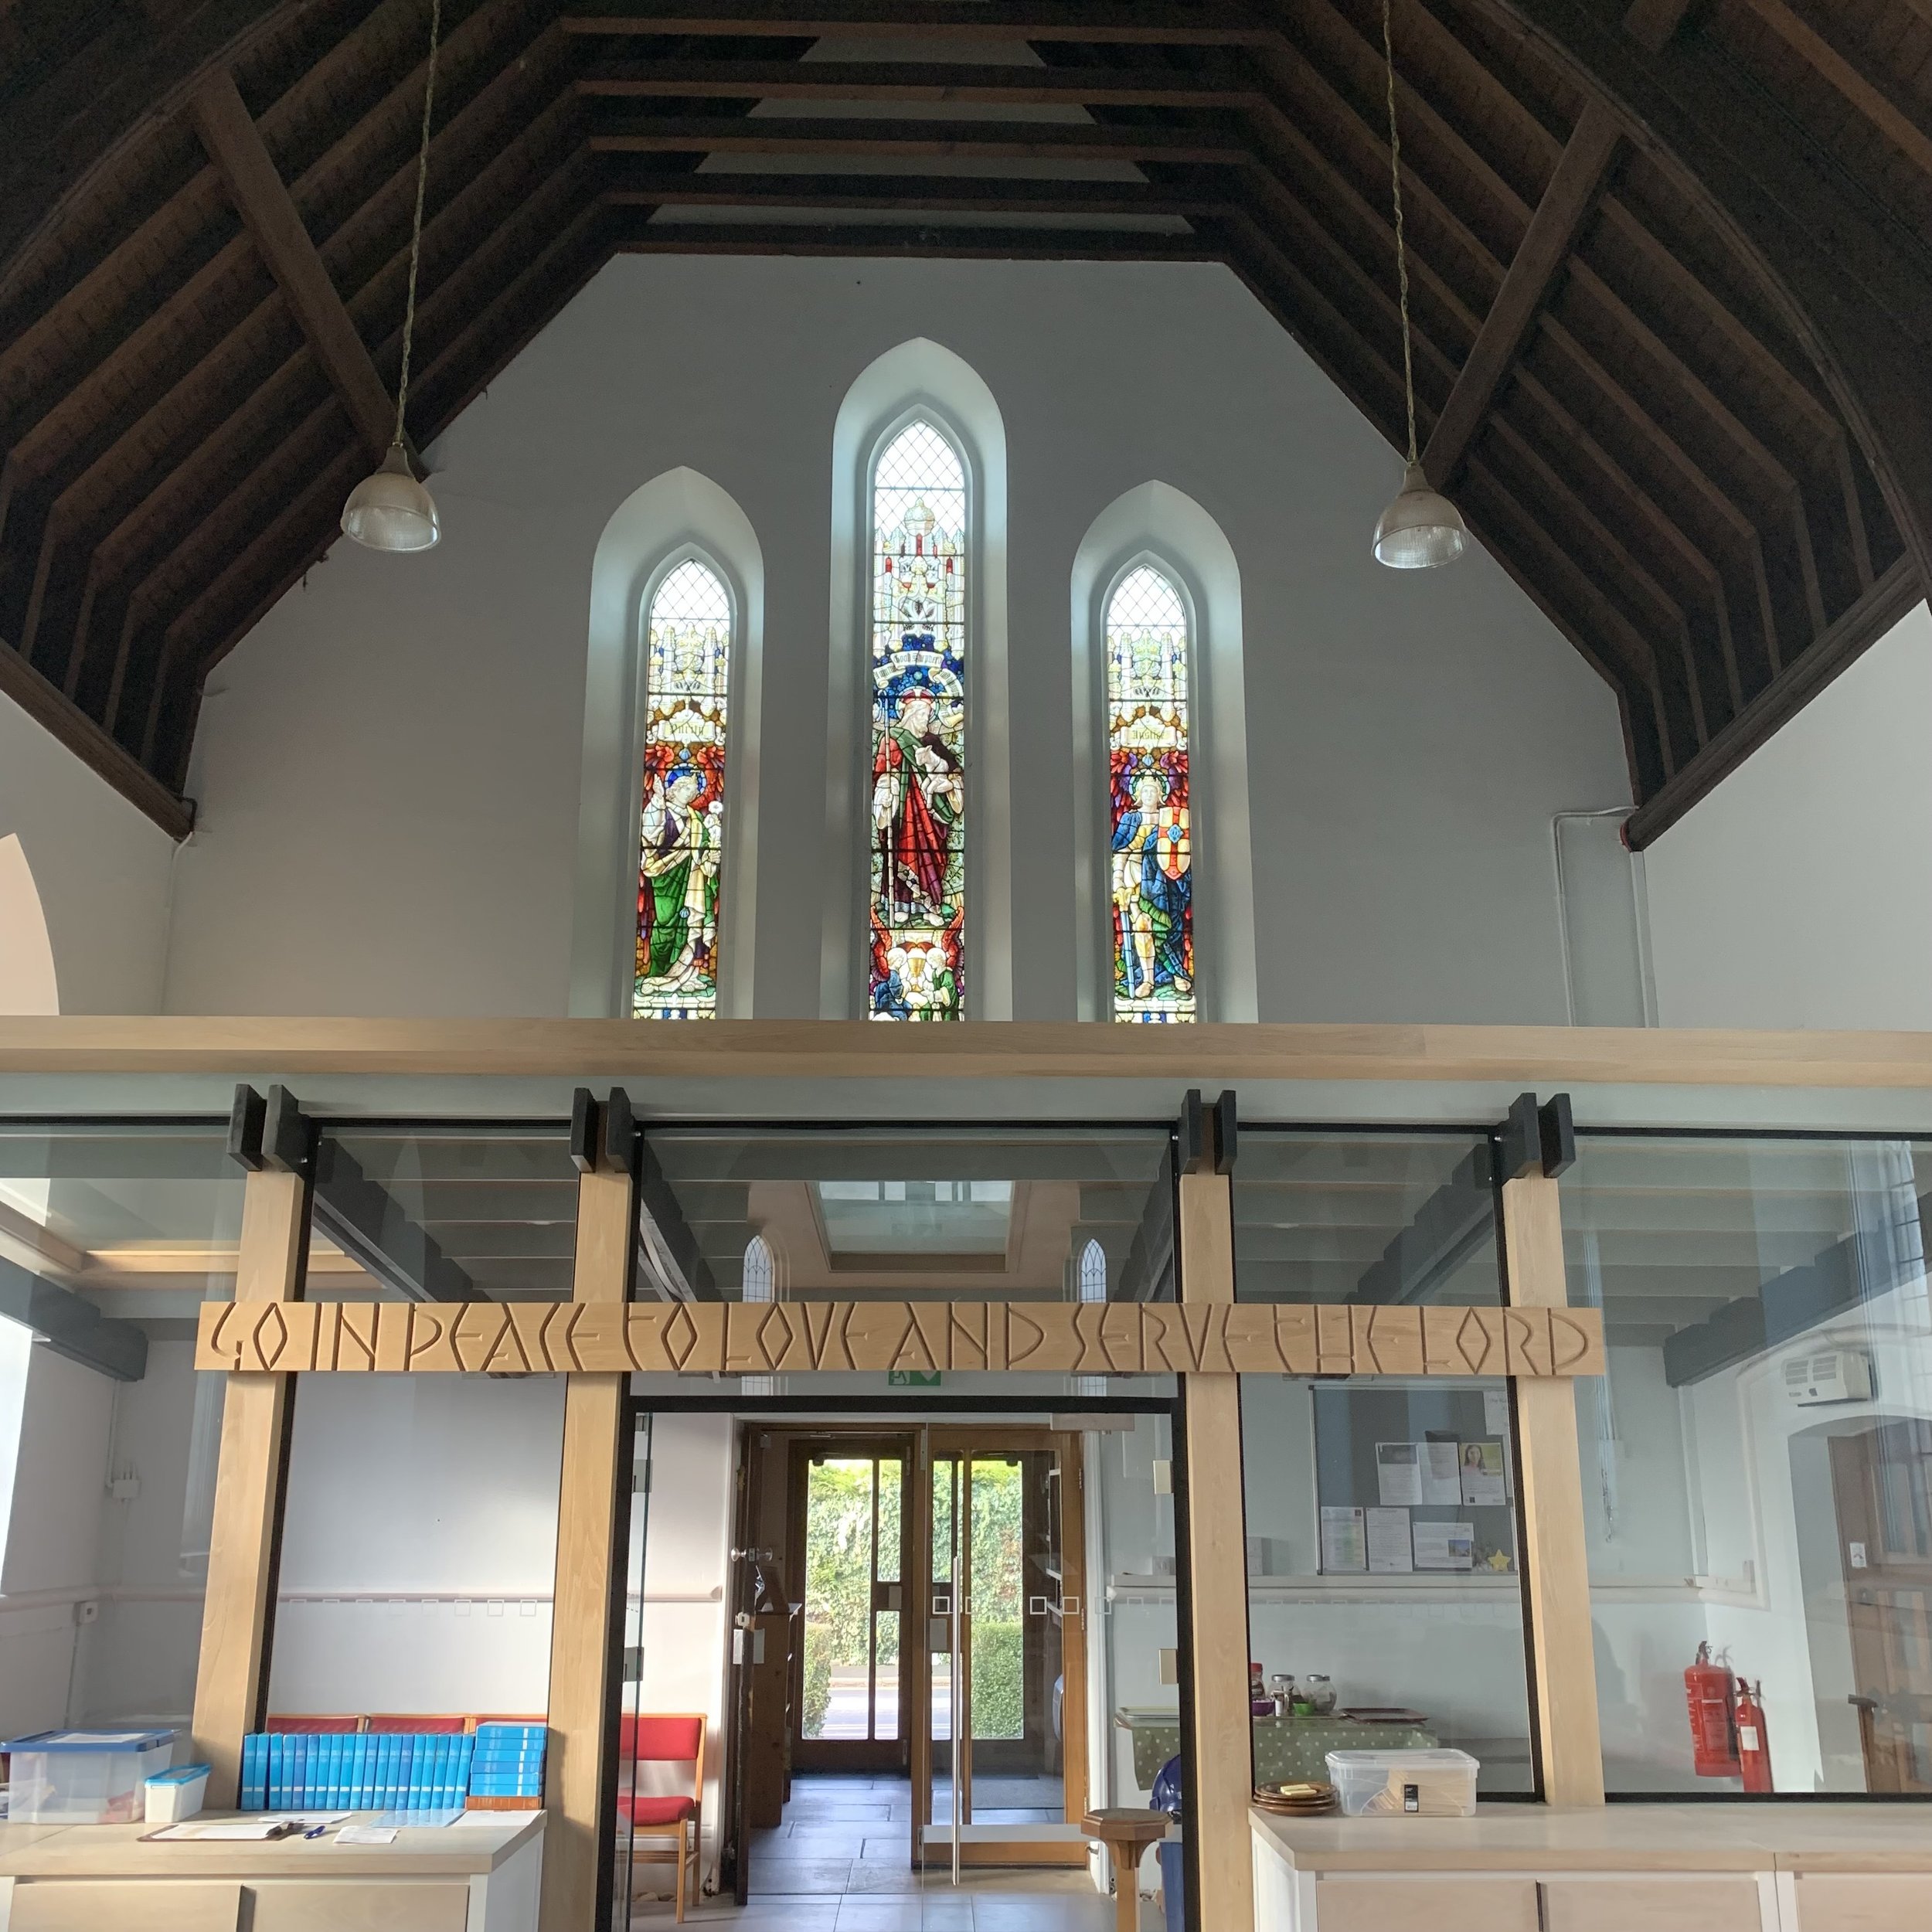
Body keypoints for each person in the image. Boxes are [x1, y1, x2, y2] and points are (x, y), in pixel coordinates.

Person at [1111, 767, 1192, 1004]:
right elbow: (1121, 852)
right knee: (1144, 925)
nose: (1149, 794)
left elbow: (1177, 853)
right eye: (1144, 790)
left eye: (1153, 790)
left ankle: (1176, 974)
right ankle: (1147, 980)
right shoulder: (1130, 819)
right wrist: (1117, 881)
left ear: (1160, 794)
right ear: (1138, 794)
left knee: (1171, 930)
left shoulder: (1170, 819)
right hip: (1136, 877)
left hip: (1165, 881)